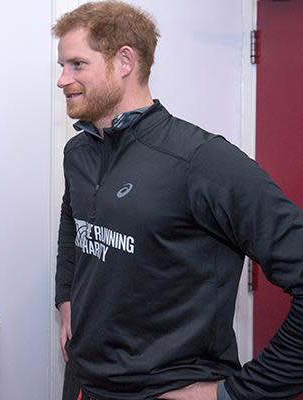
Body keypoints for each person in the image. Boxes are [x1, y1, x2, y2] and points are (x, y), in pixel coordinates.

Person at [53, 2, 303, 400]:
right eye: (62, 66)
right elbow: (74, 220)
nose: (63, 79)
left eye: (77, 64)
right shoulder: (78, 153)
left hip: (167, 387)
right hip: (86, 381)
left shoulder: (201, 160)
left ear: (124, 61)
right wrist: (66, 297)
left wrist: (233, 394)